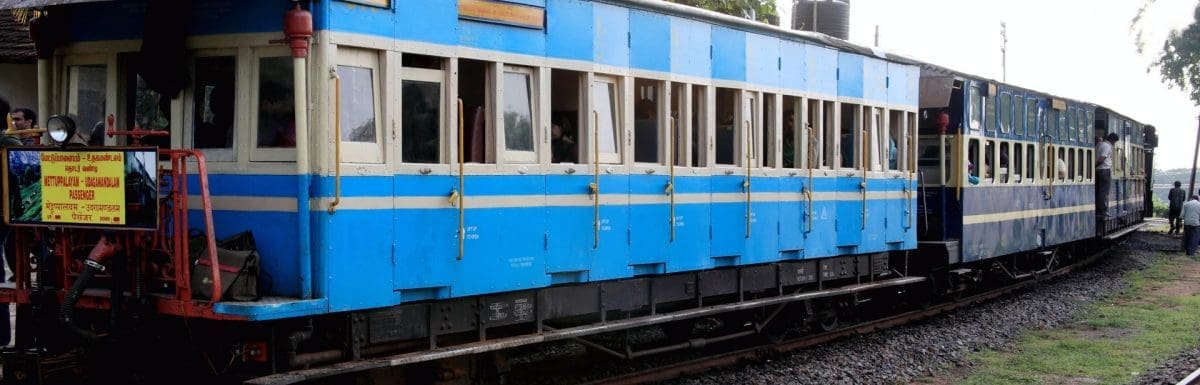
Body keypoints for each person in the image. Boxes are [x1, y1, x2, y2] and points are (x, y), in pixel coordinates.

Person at [1095, 132, 1117, 217]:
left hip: (1098, 170)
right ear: (1113, 140)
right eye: (1115, 142)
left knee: (1098, 190)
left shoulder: (1099, 144)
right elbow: (1101, 159)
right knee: (1104, 191)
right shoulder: (1107, 146)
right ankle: (1102, 210)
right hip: (1104, 170)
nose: (1114, 144)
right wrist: (1095, 166)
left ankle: (1098, 209)